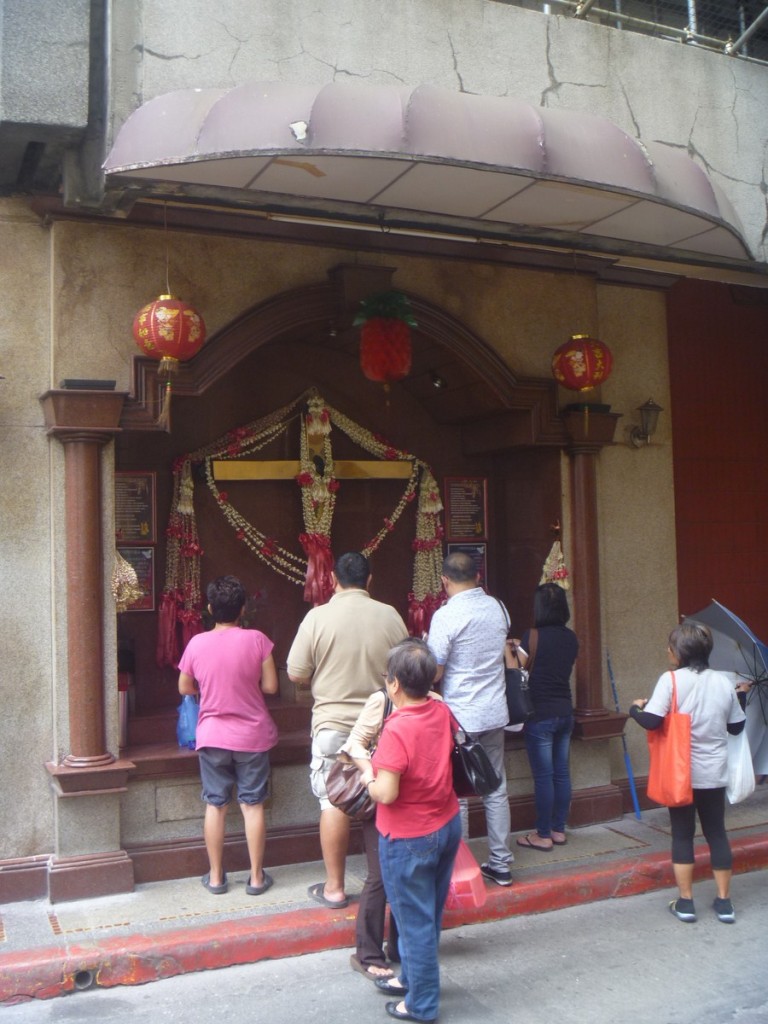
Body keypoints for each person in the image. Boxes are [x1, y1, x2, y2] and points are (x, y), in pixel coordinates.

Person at [287, 551, 408, 909]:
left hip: (333, 726)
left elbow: (295, 673)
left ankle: (335, 888)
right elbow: (406, 665)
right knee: (384, 798)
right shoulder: (389, 615)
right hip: (382, 726)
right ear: (369, 580)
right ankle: (385, 881)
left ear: (332, 581)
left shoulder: (317, 617)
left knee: (333, 801)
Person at [361, 638, 461, 1024]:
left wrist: (365, 773)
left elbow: (385, 792)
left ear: (395, 685)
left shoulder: (397, 729)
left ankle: (421, 1004)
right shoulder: (440, 709)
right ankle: (415, 981)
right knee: (427, 916)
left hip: (408, 837)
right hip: (446, 823)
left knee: (412, 922)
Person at [629, 621, 746, 923]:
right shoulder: (723, 682)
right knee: (717, 833)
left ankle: (686, 902)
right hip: (713, 772)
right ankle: (724, 903)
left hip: (680, 773)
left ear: (679, 651)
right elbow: (736, 727)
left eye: (671, 646)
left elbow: (652, 721)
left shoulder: (671, 681)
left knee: (682, 835)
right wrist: (740, 697)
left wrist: (635, 709)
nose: (668, 650)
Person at [178, 575, 279, 895]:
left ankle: (217, 877)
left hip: (212, 735)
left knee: (215, 805)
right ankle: (257, 877)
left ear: (210, 608)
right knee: (252, 805)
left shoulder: (196, 643)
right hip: (252, 735)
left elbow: (184, 687)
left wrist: (207, 688)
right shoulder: (258, 640)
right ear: (243, 608)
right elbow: (271, 687)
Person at [426, 551, 513, 886]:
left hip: (460, 715)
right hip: (494, 711)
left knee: (458, 791)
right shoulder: (498, 608)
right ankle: (501, 864)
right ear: (478, 576)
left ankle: (460, 866)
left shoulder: (446, 616)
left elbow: (435, 671)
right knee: (496, 787)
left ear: (445, 581)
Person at [510, 583, 579, 852]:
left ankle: (542, 834)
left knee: (543, 776)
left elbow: (517, 668)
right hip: (565, 711)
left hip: (540, 715)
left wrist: (511, 648)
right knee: (561, 773)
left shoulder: (533, 636)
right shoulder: (571, 638)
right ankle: (558, 829)